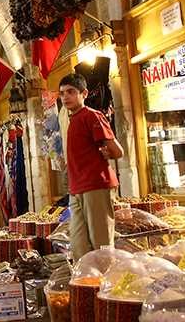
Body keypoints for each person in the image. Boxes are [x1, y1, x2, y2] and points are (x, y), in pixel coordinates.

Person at [59, 73, 124, 261]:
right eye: (62, 93)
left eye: (71, 92)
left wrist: (107, 152)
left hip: (96, 184)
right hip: (76, 188)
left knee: (101, 243)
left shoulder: (92, 116)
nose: (66, 97)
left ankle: (107, 278)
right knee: (79, 245)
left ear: (84, 93)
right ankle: (87, 278)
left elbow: (117, 151)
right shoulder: (71, 119)